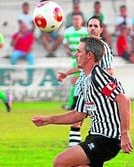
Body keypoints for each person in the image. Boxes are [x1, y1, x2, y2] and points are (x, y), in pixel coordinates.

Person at [32, 37, 133, 166]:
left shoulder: (98, 76)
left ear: (89, 55)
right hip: (95, 136)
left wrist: (124, 134)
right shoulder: (86, 79)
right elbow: (78, 115)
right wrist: (48, 120)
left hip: (108, 138)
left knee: (60, 162)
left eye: (79, 51)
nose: (75, 54)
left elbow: (124, 101)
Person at [58, 15, 114, 147]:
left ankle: (97, 148)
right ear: (87, 28)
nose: (93, 28)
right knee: (77, 119)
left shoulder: (103, 48)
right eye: (90, 26)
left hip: (97, 91)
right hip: (83, 88)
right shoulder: (84, 46)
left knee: (97, 122)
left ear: (101, 29)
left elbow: (110, 71)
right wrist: (66, 73)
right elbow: (80, 65)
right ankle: (74, 150)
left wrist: (95, 80)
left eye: (96, 26)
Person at [62, 13, 89, 111]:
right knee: (77, 81)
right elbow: (65, 44)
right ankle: (75, 103)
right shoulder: (68, 31)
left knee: (75, 81)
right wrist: (68, 51)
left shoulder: (85, 31)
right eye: (74, 19)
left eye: (78, 19)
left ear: (81, 21)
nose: (76, 21)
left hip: (84, 59)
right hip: (75, 59)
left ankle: (71, 104)